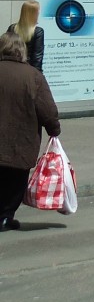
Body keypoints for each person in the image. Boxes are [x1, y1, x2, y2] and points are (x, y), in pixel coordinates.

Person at [0, 31, 60, 231]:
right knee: (15, 181)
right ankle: (6, 217)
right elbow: (47, 109)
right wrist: (54, 130)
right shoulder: (33, 76)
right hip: (21, 141)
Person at [8, 0, 45, 72]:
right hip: (28, 71)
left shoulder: (12, 28)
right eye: (38, 11)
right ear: (34, 14)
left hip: (11, 69)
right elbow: (37, 58)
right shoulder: (38, 32)